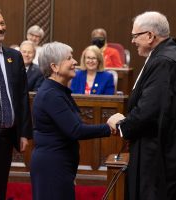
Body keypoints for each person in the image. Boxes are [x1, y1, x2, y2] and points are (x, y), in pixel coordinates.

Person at [107, 11, 176, 200]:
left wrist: (122, 125)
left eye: (135, 36)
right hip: (167, 150)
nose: (133, 41)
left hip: (158, 157)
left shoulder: (164, 61)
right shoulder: (170, 54)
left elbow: (150, 111)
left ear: (150, 36)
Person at [30, 41, 117, 200]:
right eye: (69, 58)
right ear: (55, 67)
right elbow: (75, 130)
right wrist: (108, 126)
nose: (75, 62)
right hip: (52, 166)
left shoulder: (58, 91)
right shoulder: (51, 94)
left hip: (59, 165)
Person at [0, 5, 32, 200]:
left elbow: (22, 96)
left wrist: (24, 132)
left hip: (7, 136)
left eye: (2, 23)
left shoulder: (14, 57)